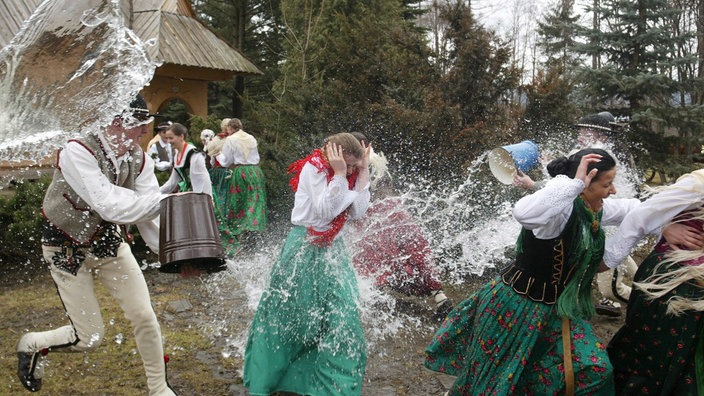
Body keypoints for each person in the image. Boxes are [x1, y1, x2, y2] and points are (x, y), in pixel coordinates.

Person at [425, 148, 640, 395]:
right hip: (517, 308)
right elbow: (524, 213)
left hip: (560, 312)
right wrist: (574, 184)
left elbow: (633, 209)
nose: (612, 190)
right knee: (497, 383)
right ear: (586, 184)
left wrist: (676, 208)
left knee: (595, 371)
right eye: (607, 184)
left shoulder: (593, 209)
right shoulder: (559, 211)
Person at [16, 95, 177, 395]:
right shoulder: (77, 150)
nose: (144, 132)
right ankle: (32, 344)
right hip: (64, 247)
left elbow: (149, 218)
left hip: (107, 242)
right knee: (89, 338)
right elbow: (109, 205)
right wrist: (165, 202)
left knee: (144, 314)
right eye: (139, 126)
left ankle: (159, 389)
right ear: (116, 123)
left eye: (146, 125)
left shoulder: (139, 158)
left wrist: (176, 256)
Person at [243, 133, 371, 396]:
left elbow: (358, 211)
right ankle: (280, 379)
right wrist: (338, 174)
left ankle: (333, 387)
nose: (348, 171)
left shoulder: (349, 171)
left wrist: (363, 171)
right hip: (305, 247)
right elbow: (326, 210)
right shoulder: (313, 168)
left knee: (343, 316)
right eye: (346, 165)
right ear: (332, 154)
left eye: (351, 167)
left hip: (334, 249)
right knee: (293, 316)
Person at [513, 112, 639, 317]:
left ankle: (652, 300)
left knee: (613, 286)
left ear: (603, 135)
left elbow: (624, 205)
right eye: (580, 129)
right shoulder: (581, 160)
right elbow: (556, 193)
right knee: (624, 278)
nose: (581, 133)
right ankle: (652, 294)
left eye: (586, 130)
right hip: (533, 303)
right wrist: (540, 179)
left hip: (601, 234)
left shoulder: (604, 160)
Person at [604, 169, 704, 395]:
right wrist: (605, 261)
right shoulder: (699, 183)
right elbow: (642, 215)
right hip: (670, 282)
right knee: (651, 361)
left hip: (694, 285)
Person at [214, 118, 267, 252]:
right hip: (256, 172)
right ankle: (254, 236)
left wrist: (218, 156)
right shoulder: (251, 137)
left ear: (230, 129)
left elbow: (226, 162)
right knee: (255, 203)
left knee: (238, 205)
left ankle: (239, 237)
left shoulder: (231, 140)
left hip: (241, 173)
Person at [159, 122, 212, 196]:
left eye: (171, 138)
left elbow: (202, 180)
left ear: (181, 136)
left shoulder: (194, 154)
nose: (168, 141)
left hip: (201, 196)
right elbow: (172, 182)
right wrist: (156, 192)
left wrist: (201, 201)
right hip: (188, 195)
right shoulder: (177, 155)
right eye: (167, 138)